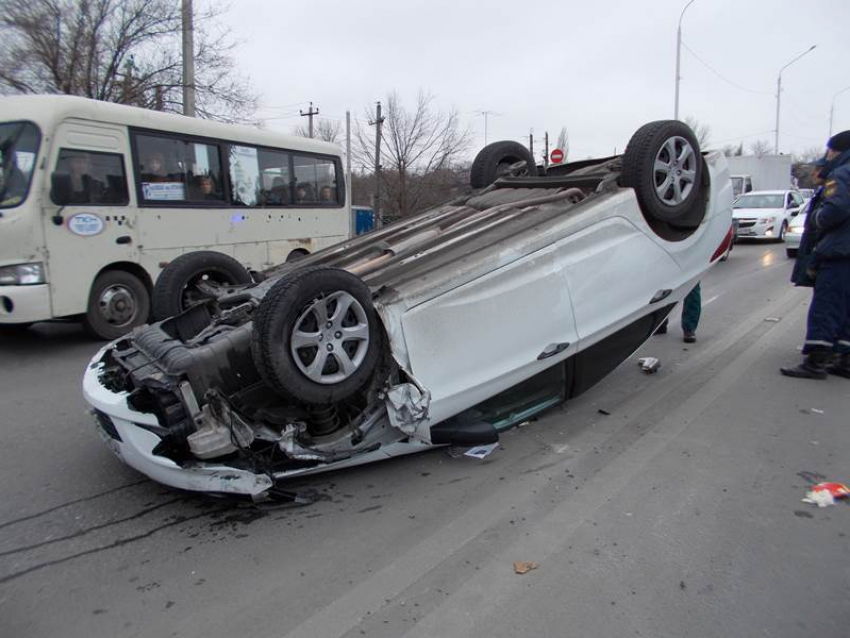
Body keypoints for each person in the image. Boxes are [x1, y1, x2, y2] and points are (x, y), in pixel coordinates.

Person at [781, 130, 850, 379]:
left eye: (829, 150)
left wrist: (818, 218)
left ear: (837, 151)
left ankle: (816, 362)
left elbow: (837, 208)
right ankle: (844, 359)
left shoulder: (841, 174)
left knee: (827, 305)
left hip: (839, 252)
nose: (827, 155)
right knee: (845, 307)